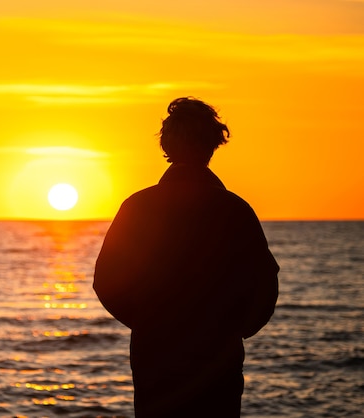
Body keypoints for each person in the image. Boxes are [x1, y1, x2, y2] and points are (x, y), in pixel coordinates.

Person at [93, 97, 279, 417]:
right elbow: (265, 285)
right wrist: (233, 331)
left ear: (167, 144)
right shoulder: (235, 209)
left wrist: (148, 324)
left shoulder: (137, 207)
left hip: (155, 356)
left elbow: (106, 281)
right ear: (213, 144)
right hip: (217, 359)